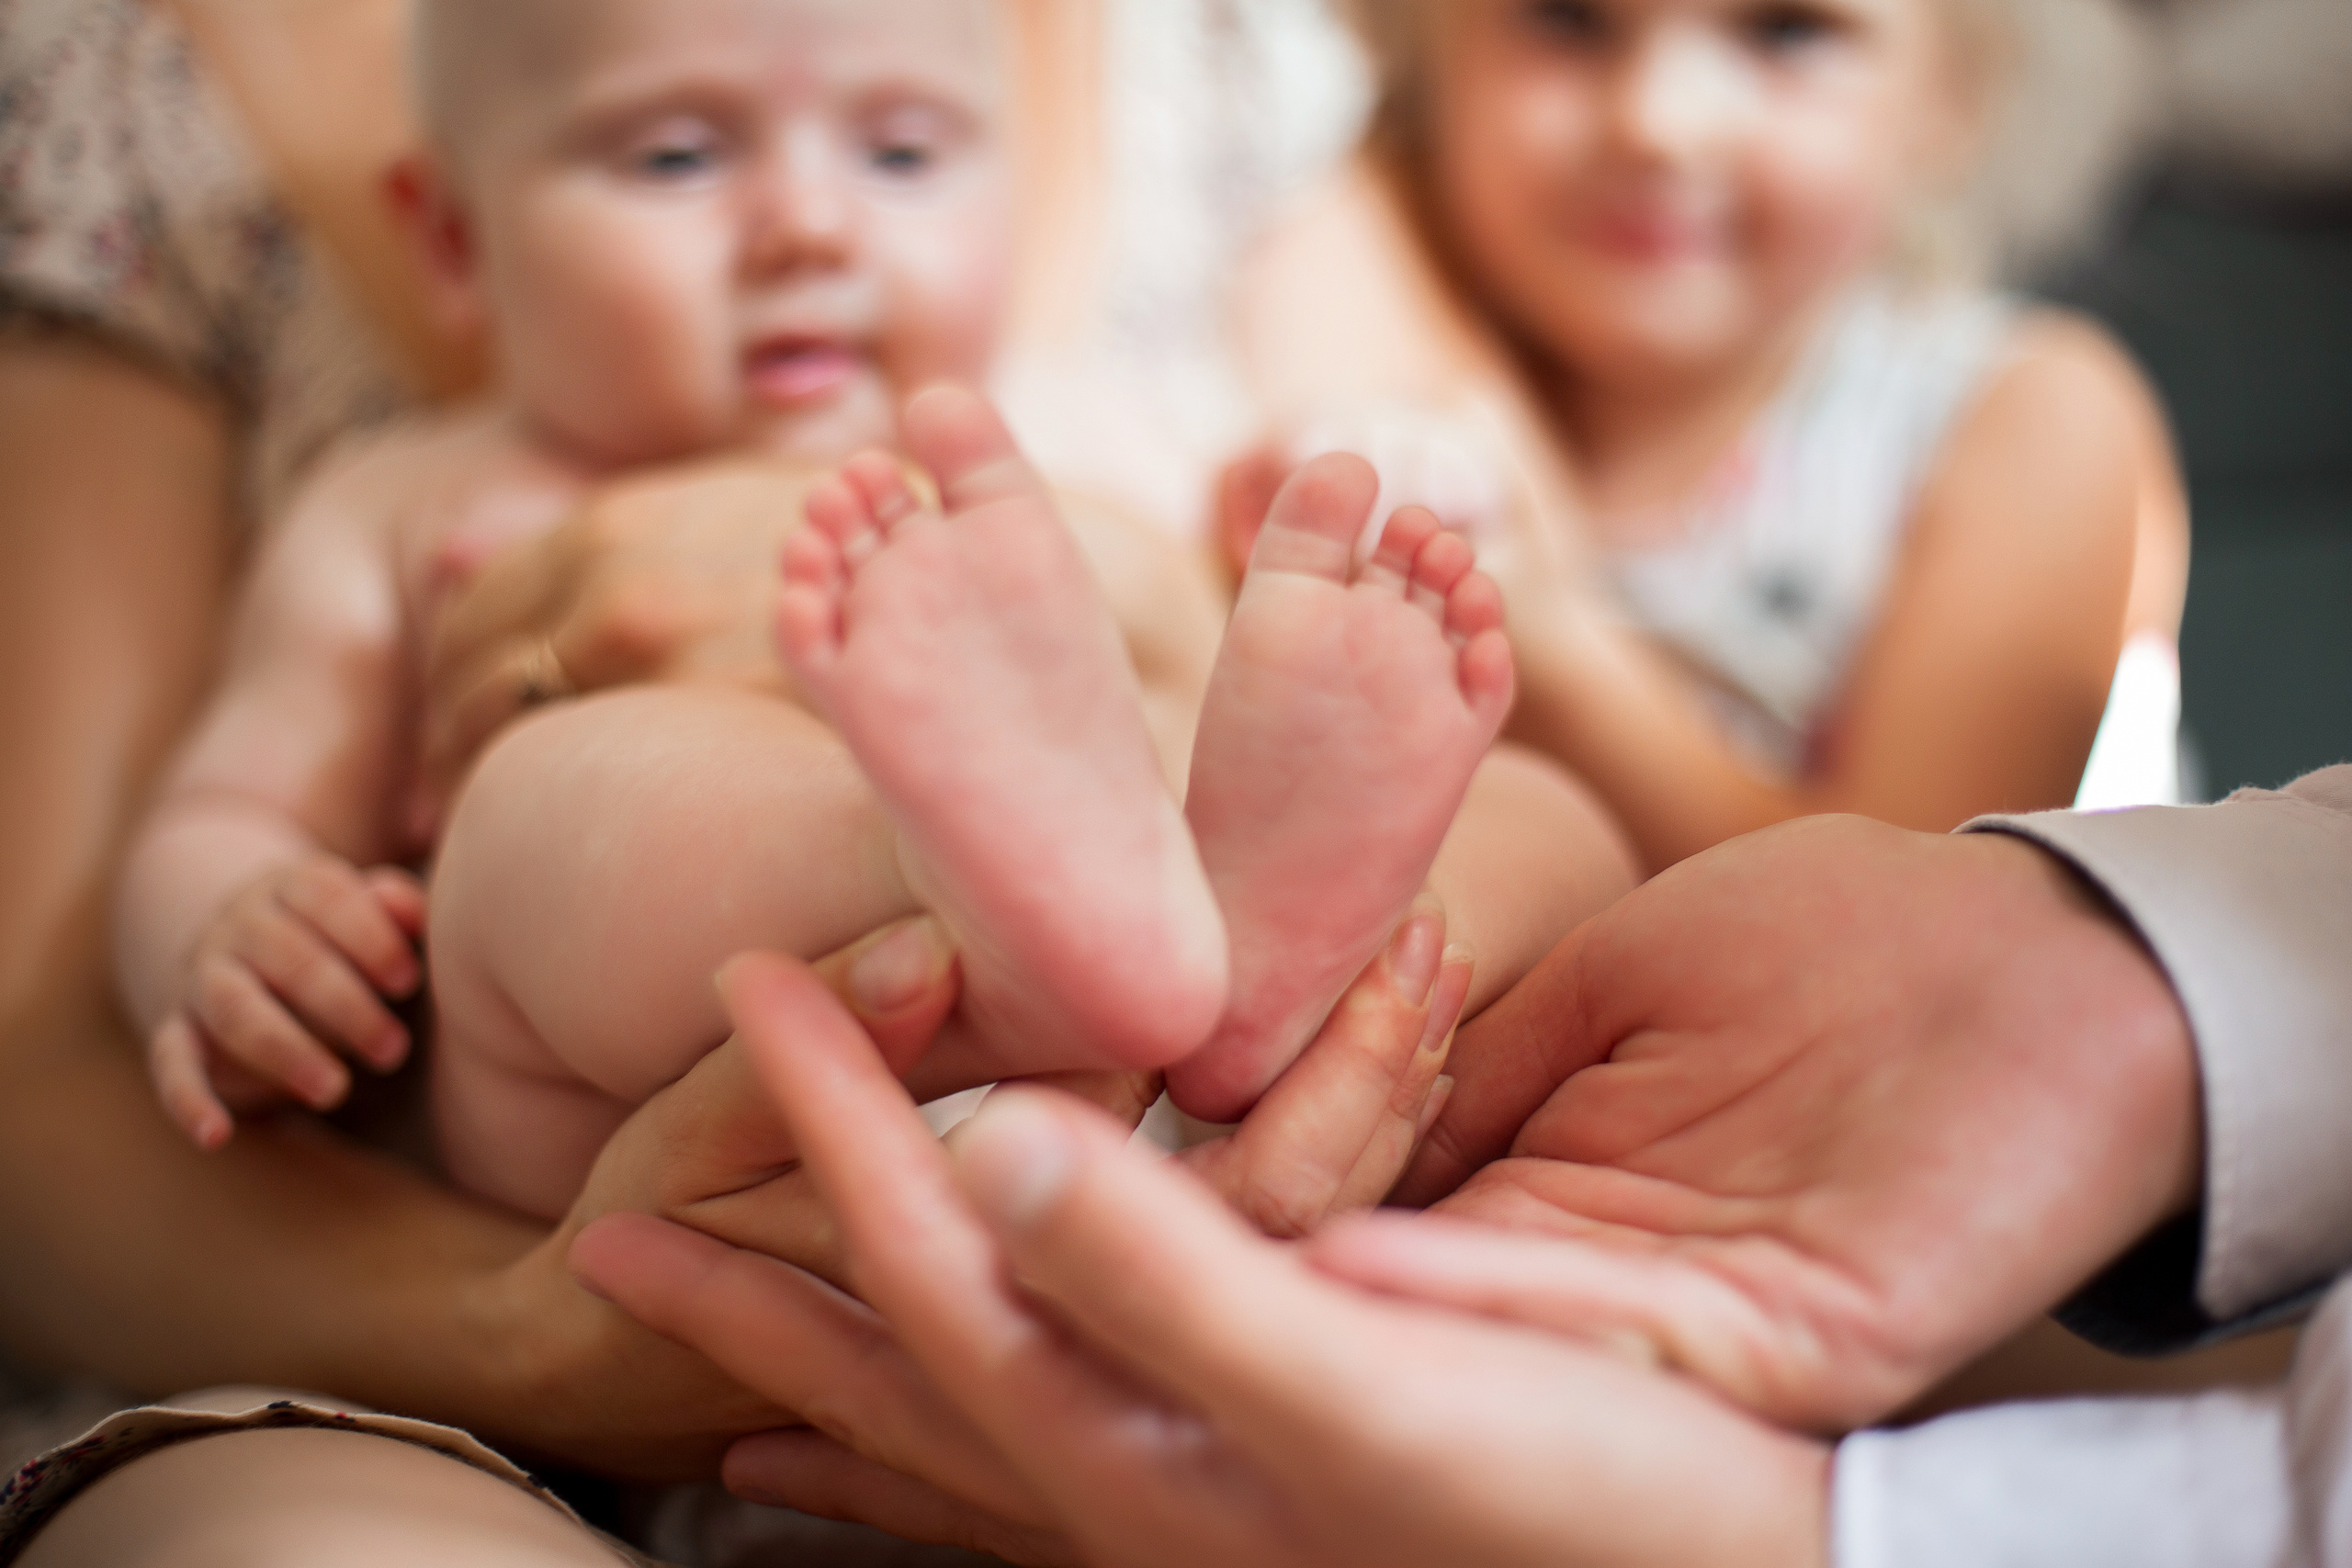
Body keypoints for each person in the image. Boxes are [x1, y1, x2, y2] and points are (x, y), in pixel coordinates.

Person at [107, 0, 1632, 1226]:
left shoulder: (1051, 455)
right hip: (683, 1155)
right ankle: (967, 894)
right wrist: (227, 928)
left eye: (902, 154)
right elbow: (226, 804)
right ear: (449, 236)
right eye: (678, 158)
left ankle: (1292, 959)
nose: (810, 228)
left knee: (1544, 806)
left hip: (1162, 1120)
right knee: (530, 810)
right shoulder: (420, 500)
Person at [574, 762, 2352, 1563]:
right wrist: (2119, 972)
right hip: (990, 1010)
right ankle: (1202, 933)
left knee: (1524, 831)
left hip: (1226, 1018)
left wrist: (1801, 1539)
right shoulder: (418, 496)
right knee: (632, 831)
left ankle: (1248, 936)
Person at [1221, 0, 2192, 872]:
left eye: (1786, 30)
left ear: (1956, 92)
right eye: (1566, 18)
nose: (1658, 121)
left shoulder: (2028, 418)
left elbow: (1901, 923)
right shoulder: (1373, 268)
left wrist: (1554, 647)